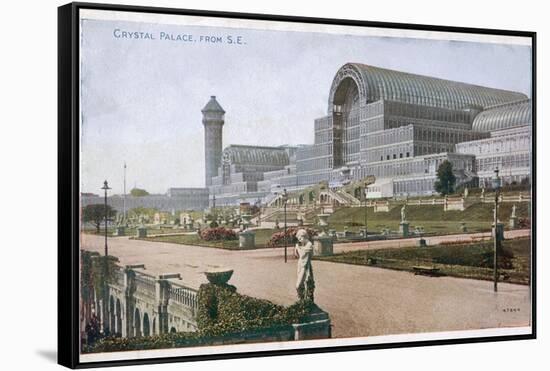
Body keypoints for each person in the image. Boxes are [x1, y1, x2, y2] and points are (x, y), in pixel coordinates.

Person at [294, 229, 315, 302]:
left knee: (304, 284)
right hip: (300, 266)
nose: (299, 240)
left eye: (300, 238)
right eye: (298, 239)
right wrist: (297, 248)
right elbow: (297, 255)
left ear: (304, 236)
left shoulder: (309, 244)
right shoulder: (301, 245)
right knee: (300, 285)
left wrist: (298, 248)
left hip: (306, 266)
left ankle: (309, 301)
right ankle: (302, 301)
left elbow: (303, 255)